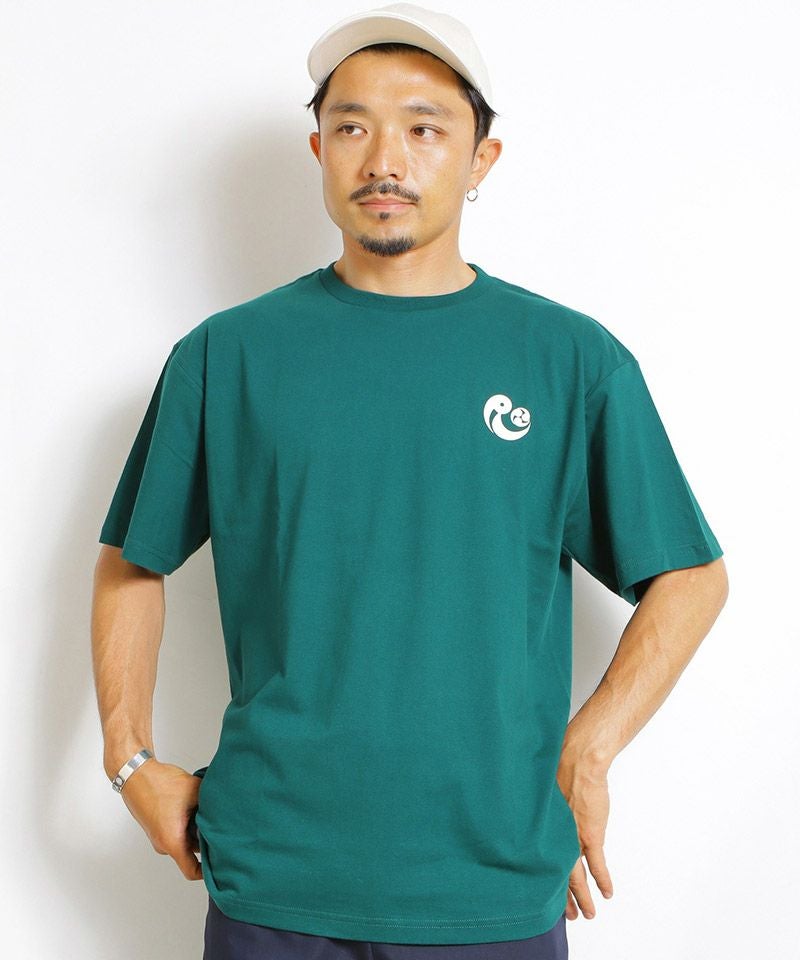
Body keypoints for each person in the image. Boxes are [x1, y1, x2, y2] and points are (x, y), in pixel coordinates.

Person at [90, 4, 729, 959]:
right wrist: (128, 757)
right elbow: (133, 561)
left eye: (424, 129)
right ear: (319, 151)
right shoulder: (228, 357)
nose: (384, 159)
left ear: (482, 160)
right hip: (273, 877)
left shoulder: (569, 361)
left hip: (493, 886)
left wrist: (589, 748)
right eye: (352, 127)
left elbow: (690, 576)